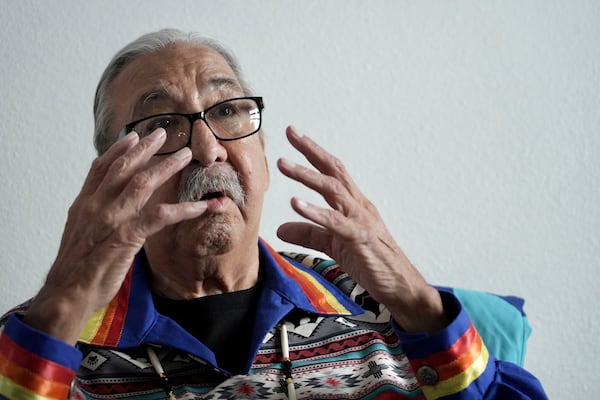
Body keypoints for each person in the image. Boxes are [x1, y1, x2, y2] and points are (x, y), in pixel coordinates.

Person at [0, 29, 546, 400]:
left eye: (230, 111)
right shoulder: (43, 334)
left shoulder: (386, 308)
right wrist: (60, 307)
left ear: (259, 152)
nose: (210, 149)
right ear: (111, 175)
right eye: (162, 125)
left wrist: (418, 302)